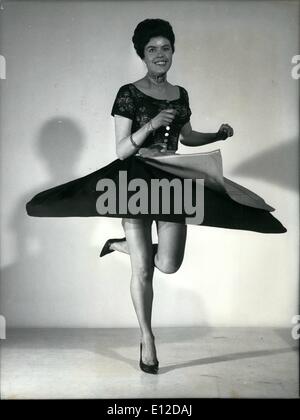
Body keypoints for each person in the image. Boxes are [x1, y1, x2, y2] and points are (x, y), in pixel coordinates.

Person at [26, 18, 286, 375]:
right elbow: (120, 150)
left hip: (173, 180)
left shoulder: (181, 95)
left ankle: (120, 245)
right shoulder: (128, 93)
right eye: (152, 49)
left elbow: (188, 136)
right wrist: (149, 124)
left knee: (168, 263)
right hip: (134, 180)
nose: (160, 55)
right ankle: (147, 340)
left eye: (165, 48)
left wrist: (217, 135)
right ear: (142, 55)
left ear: (173, 51)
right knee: (144, 271)